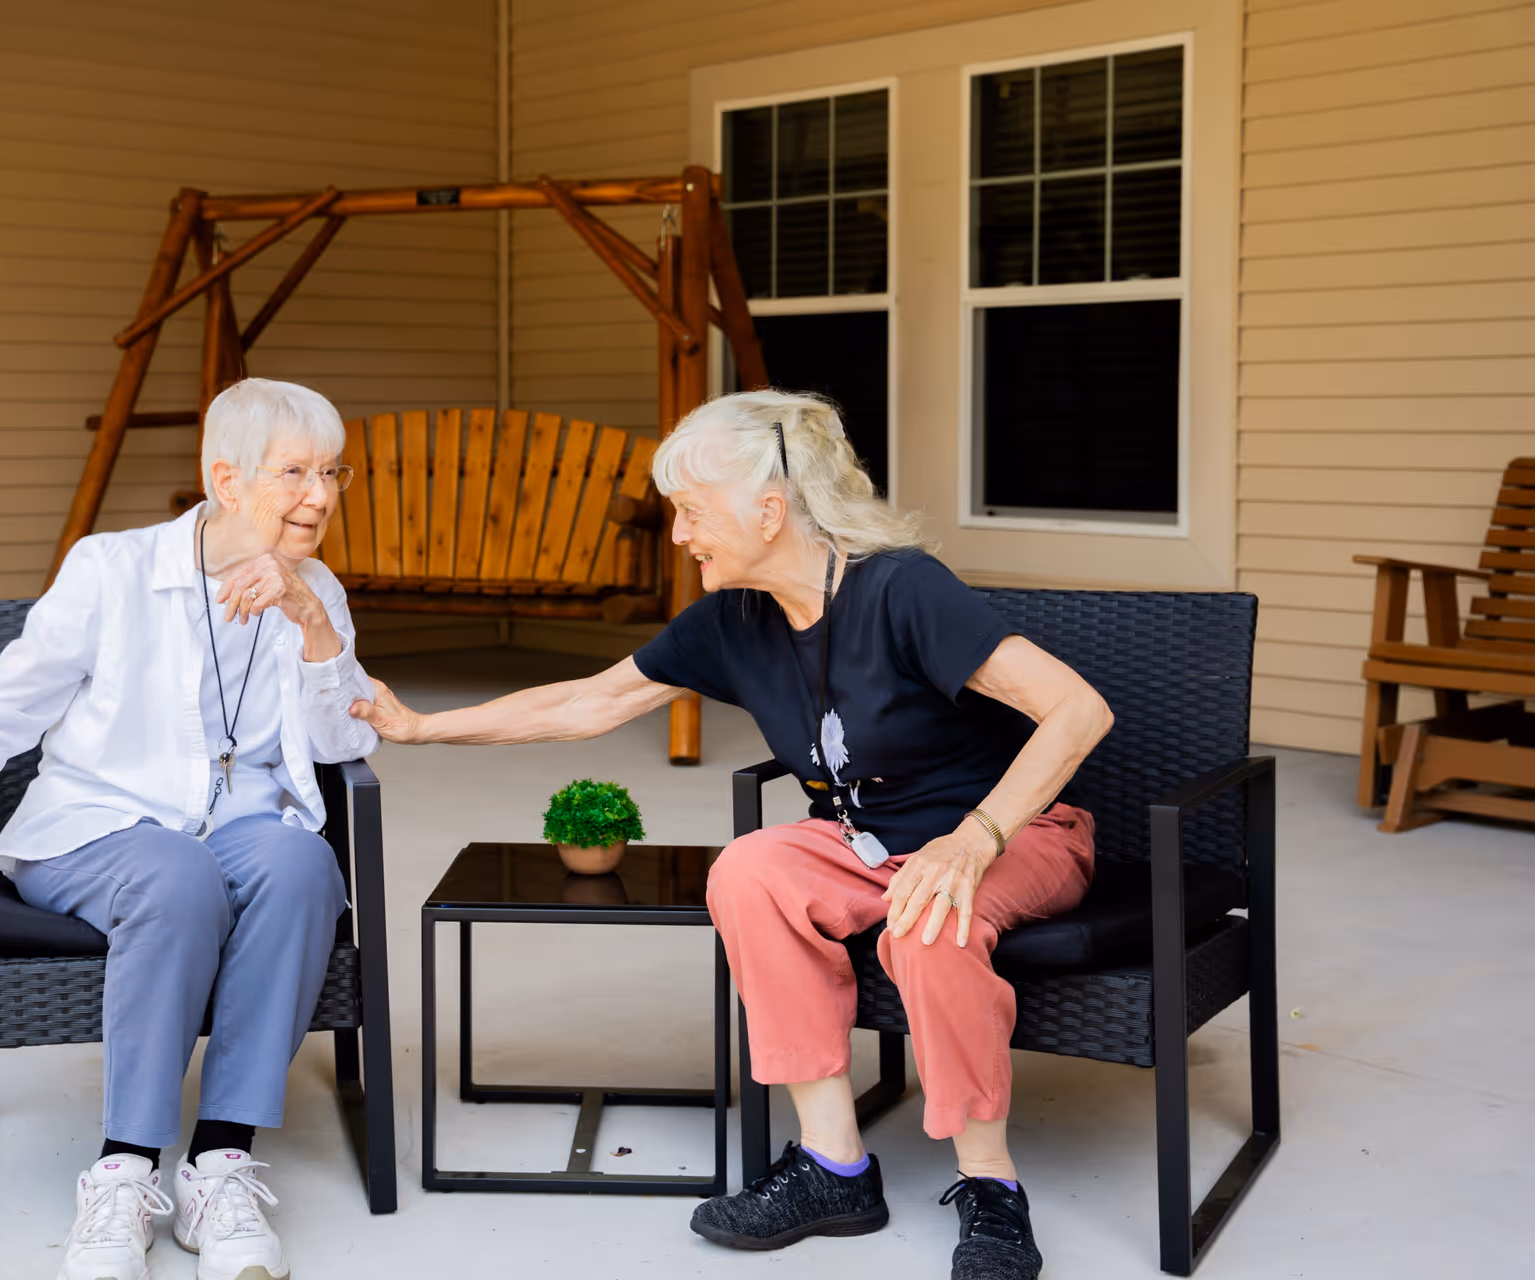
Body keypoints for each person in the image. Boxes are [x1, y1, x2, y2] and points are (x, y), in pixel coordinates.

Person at [351, 389, 1113, 1280]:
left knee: (926, 921)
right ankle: (835, 1167)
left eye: (691, 511)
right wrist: (422, 728)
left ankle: (992, 1188)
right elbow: (588, 700)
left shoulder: (901, 588)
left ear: (768, 510)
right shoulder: (734, 620)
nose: (678, 536)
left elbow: (1077, 709)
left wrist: (973, 839)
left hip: (1011, 834)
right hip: (863, 845)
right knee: (749, 870)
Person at [0, 378, 378, 1280]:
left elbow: (344, 742)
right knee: (175, 872)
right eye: (295, 472)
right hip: (100, 829)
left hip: (241, 827)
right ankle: (125, 1171)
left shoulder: (315, 586)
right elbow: (6, 707)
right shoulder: (112, 570)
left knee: (300, 864)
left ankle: (219, 1163)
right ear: (227, 478)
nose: (321, 495)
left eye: (333, 472)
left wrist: (311, 620)